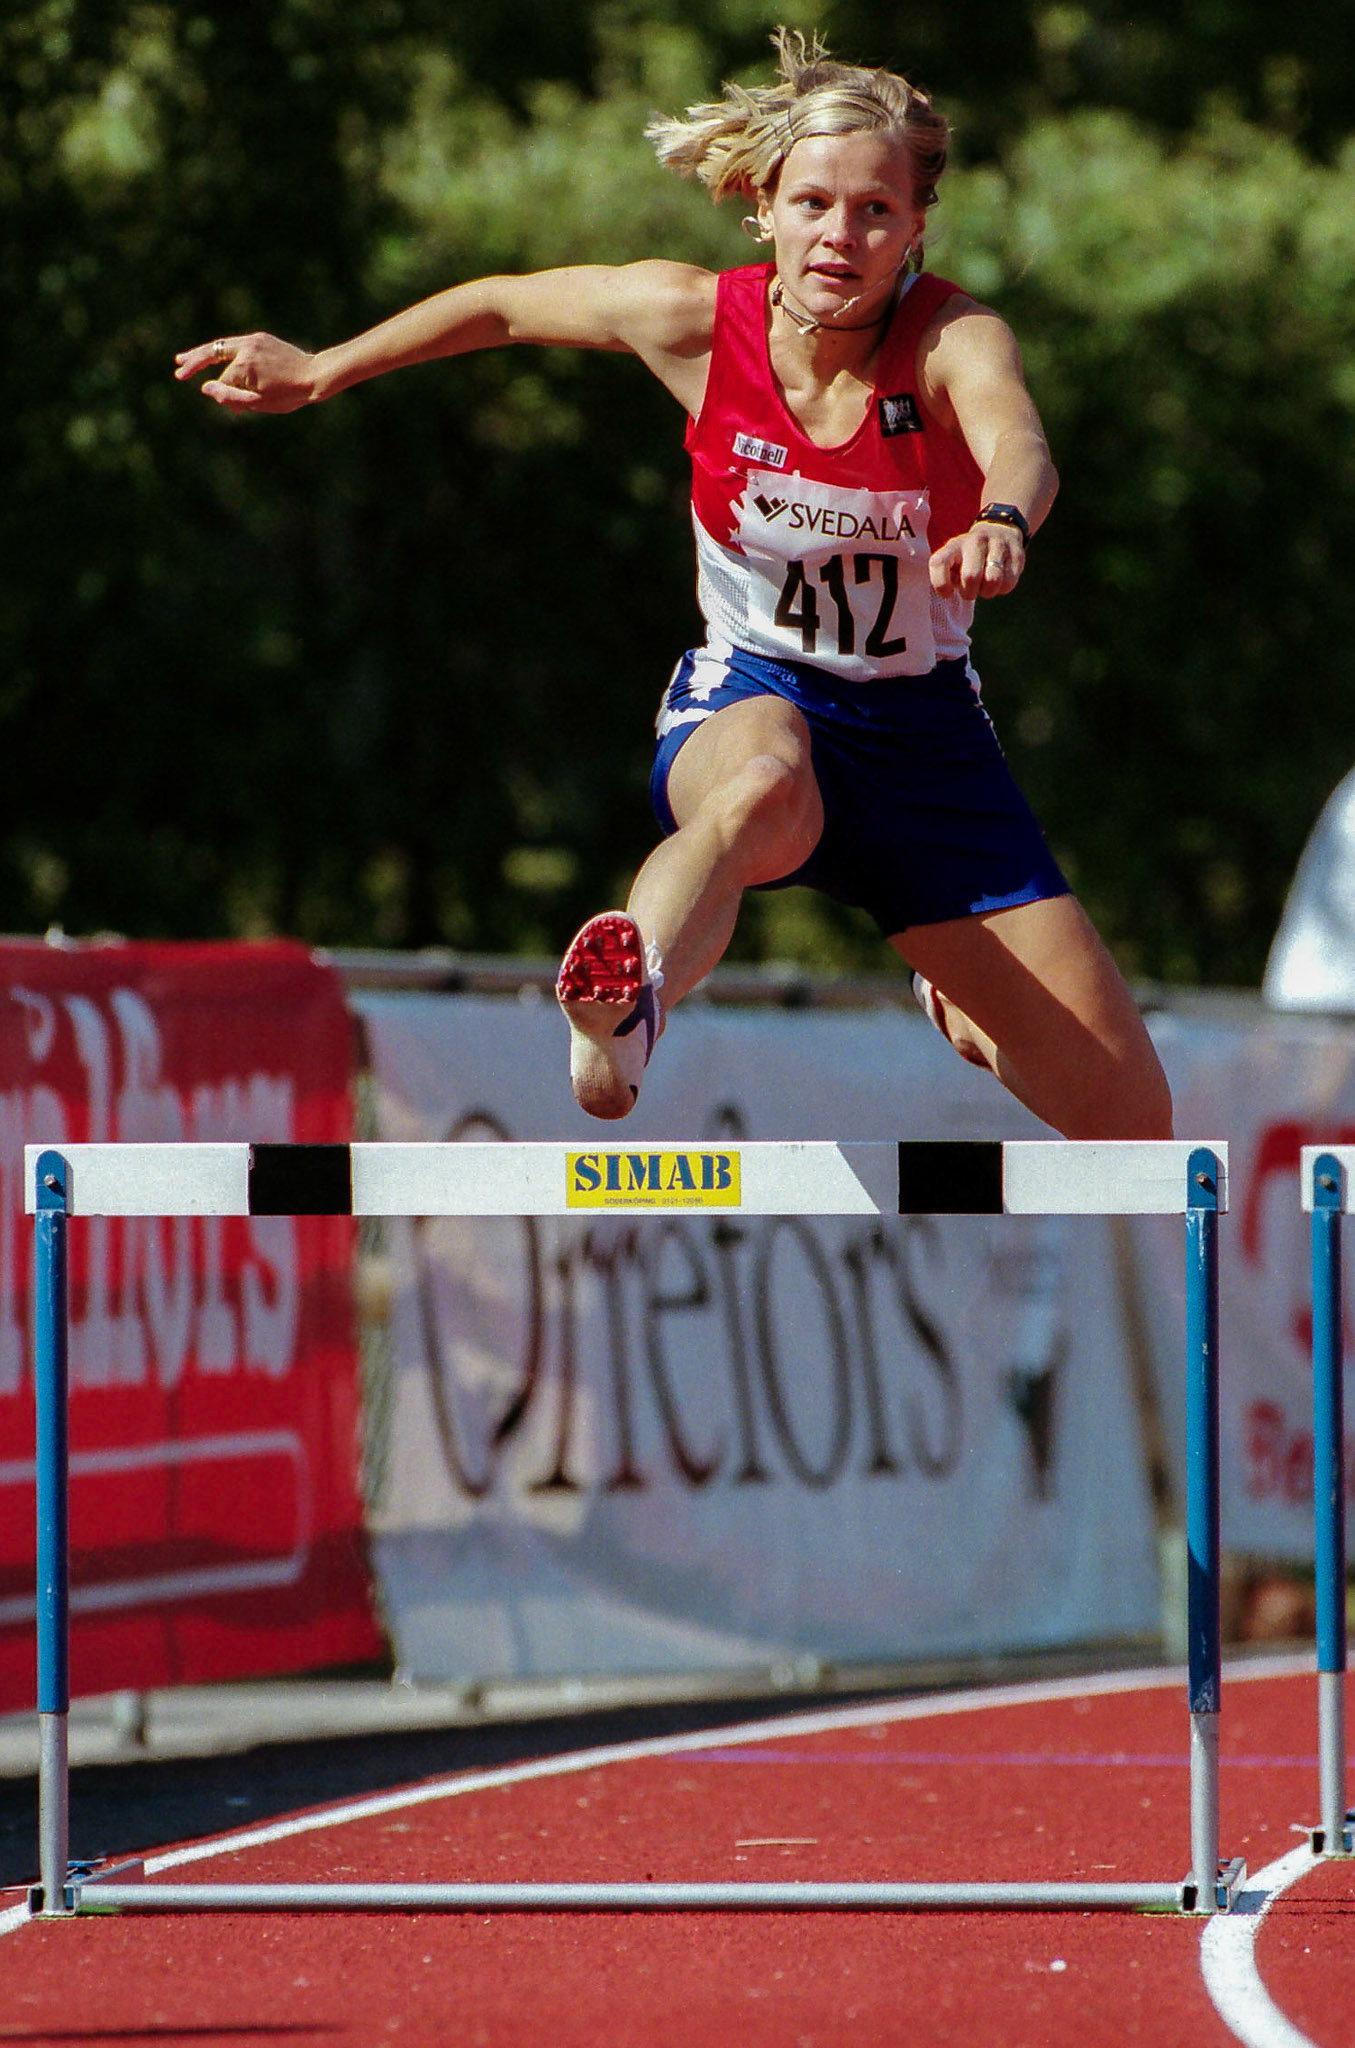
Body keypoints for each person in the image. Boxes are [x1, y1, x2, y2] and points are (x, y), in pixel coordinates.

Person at [176, 28, 1172, 1141]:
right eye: (813, 205)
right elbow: (503, 304)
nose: (839, 236)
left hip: (920, 735)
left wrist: (999, 517)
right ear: (764, 206)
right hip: (756, 688)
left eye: (874, 213)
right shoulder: (692, 319)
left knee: (1131, 1130)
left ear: (914, 231)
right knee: (759, 781)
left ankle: (961, 1006)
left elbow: (1017, 439)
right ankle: (626, 1000)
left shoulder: (949, 336)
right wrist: (323, 368)